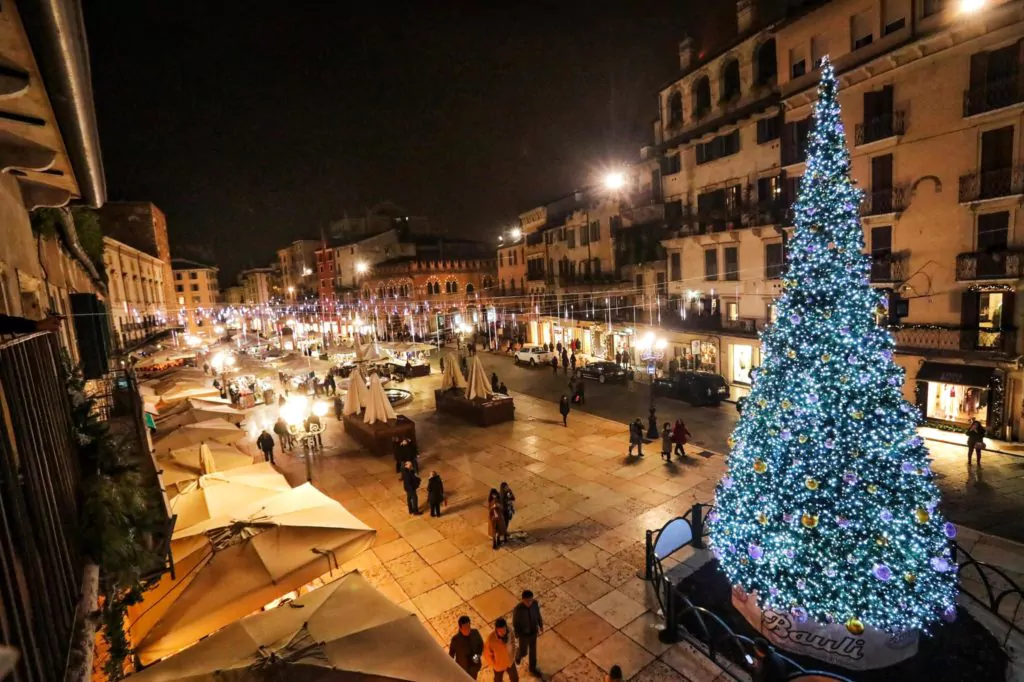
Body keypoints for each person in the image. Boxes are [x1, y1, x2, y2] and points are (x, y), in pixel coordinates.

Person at [512, 590, 543, 676]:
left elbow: (538, 615)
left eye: (531, 600)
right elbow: (515, 623)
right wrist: (517, 634)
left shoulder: (535, 604)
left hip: (533, 631)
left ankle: (532, 668)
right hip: (523, 634)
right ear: (522, 600)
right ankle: (519, 653)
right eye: (527, 601)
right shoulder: (518, 610)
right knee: (524, 651)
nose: (529, 603)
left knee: (533, 650)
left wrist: (541, 625)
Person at [449, 615, 484, 680]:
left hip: (474, 666)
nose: (468, 629)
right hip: (463, 668)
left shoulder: (475, 633)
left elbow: (481, 645)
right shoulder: (455, 640)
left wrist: (477, 656)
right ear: (460, 628)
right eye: (465, 627)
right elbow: (451, 654)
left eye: (469, 626)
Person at [483, 617, 518, 682]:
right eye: (500, 631)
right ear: (496, 630)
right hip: (499, 665)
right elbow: (487, 654)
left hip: (509, 661)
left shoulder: (510, 631)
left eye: (504, 630)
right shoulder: (491, 640)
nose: (502, 633)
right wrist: (494, 665)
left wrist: (512, 655)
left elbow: (513, 642)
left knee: (515, 678)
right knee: (498, 680)